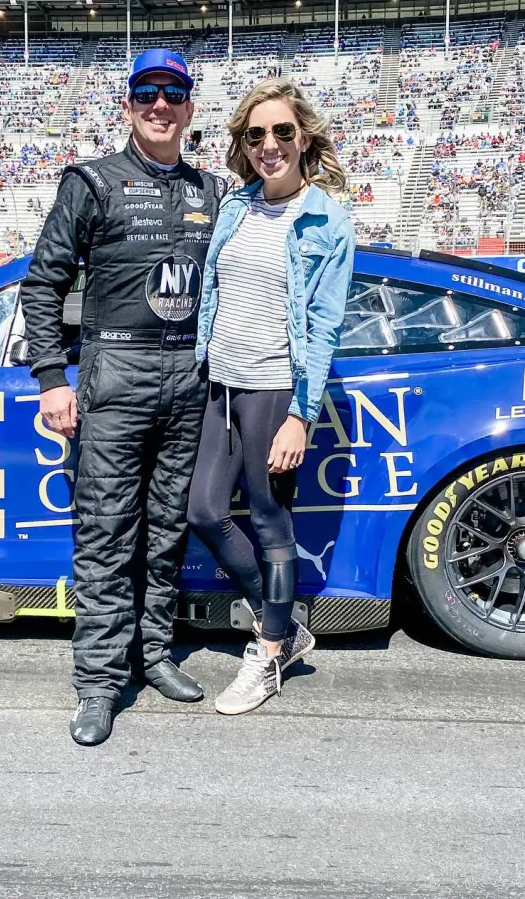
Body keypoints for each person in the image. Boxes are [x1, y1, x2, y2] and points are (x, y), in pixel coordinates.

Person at [20, 49, 227, 746]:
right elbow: (43, 285)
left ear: (190, 108)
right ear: (129, 105)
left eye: (173, 94)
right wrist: (52, 378)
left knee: (167, 530)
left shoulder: (212, 191)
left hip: (188, 377)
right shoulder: (91, 182)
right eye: (147, 94)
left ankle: (155, 654)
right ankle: (99, 682)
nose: (160, 105)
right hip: (114, 375)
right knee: (106, 534)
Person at [188, 77, 354, 715]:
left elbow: (325, 326)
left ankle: (267, 653)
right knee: (204, 511)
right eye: (256, 134)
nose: (269, 145)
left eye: (283, 131)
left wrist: (299, 417)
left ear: (304, 137)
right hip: (221, 383)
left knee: (268, 522)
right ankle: (281, 625)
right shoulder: (236, 206)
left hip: (274, 389)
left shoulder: (327, 220)